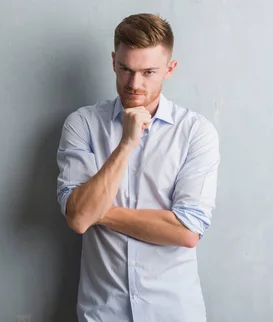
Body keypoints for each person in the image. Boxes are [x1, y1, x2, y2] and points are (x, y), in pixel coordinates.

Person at [55, 13, 220, 322]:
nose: (134, 84)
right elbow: (78, 220)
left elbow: (187, 231)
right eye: (126, 69)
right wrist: (127, 144)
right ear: (113, 60)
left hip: (173, 313)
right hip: (102, 313)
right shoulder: (83, 125)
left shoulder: (196, 133)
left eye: (148, 72)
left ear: (169, 69)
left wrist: (98, 212)